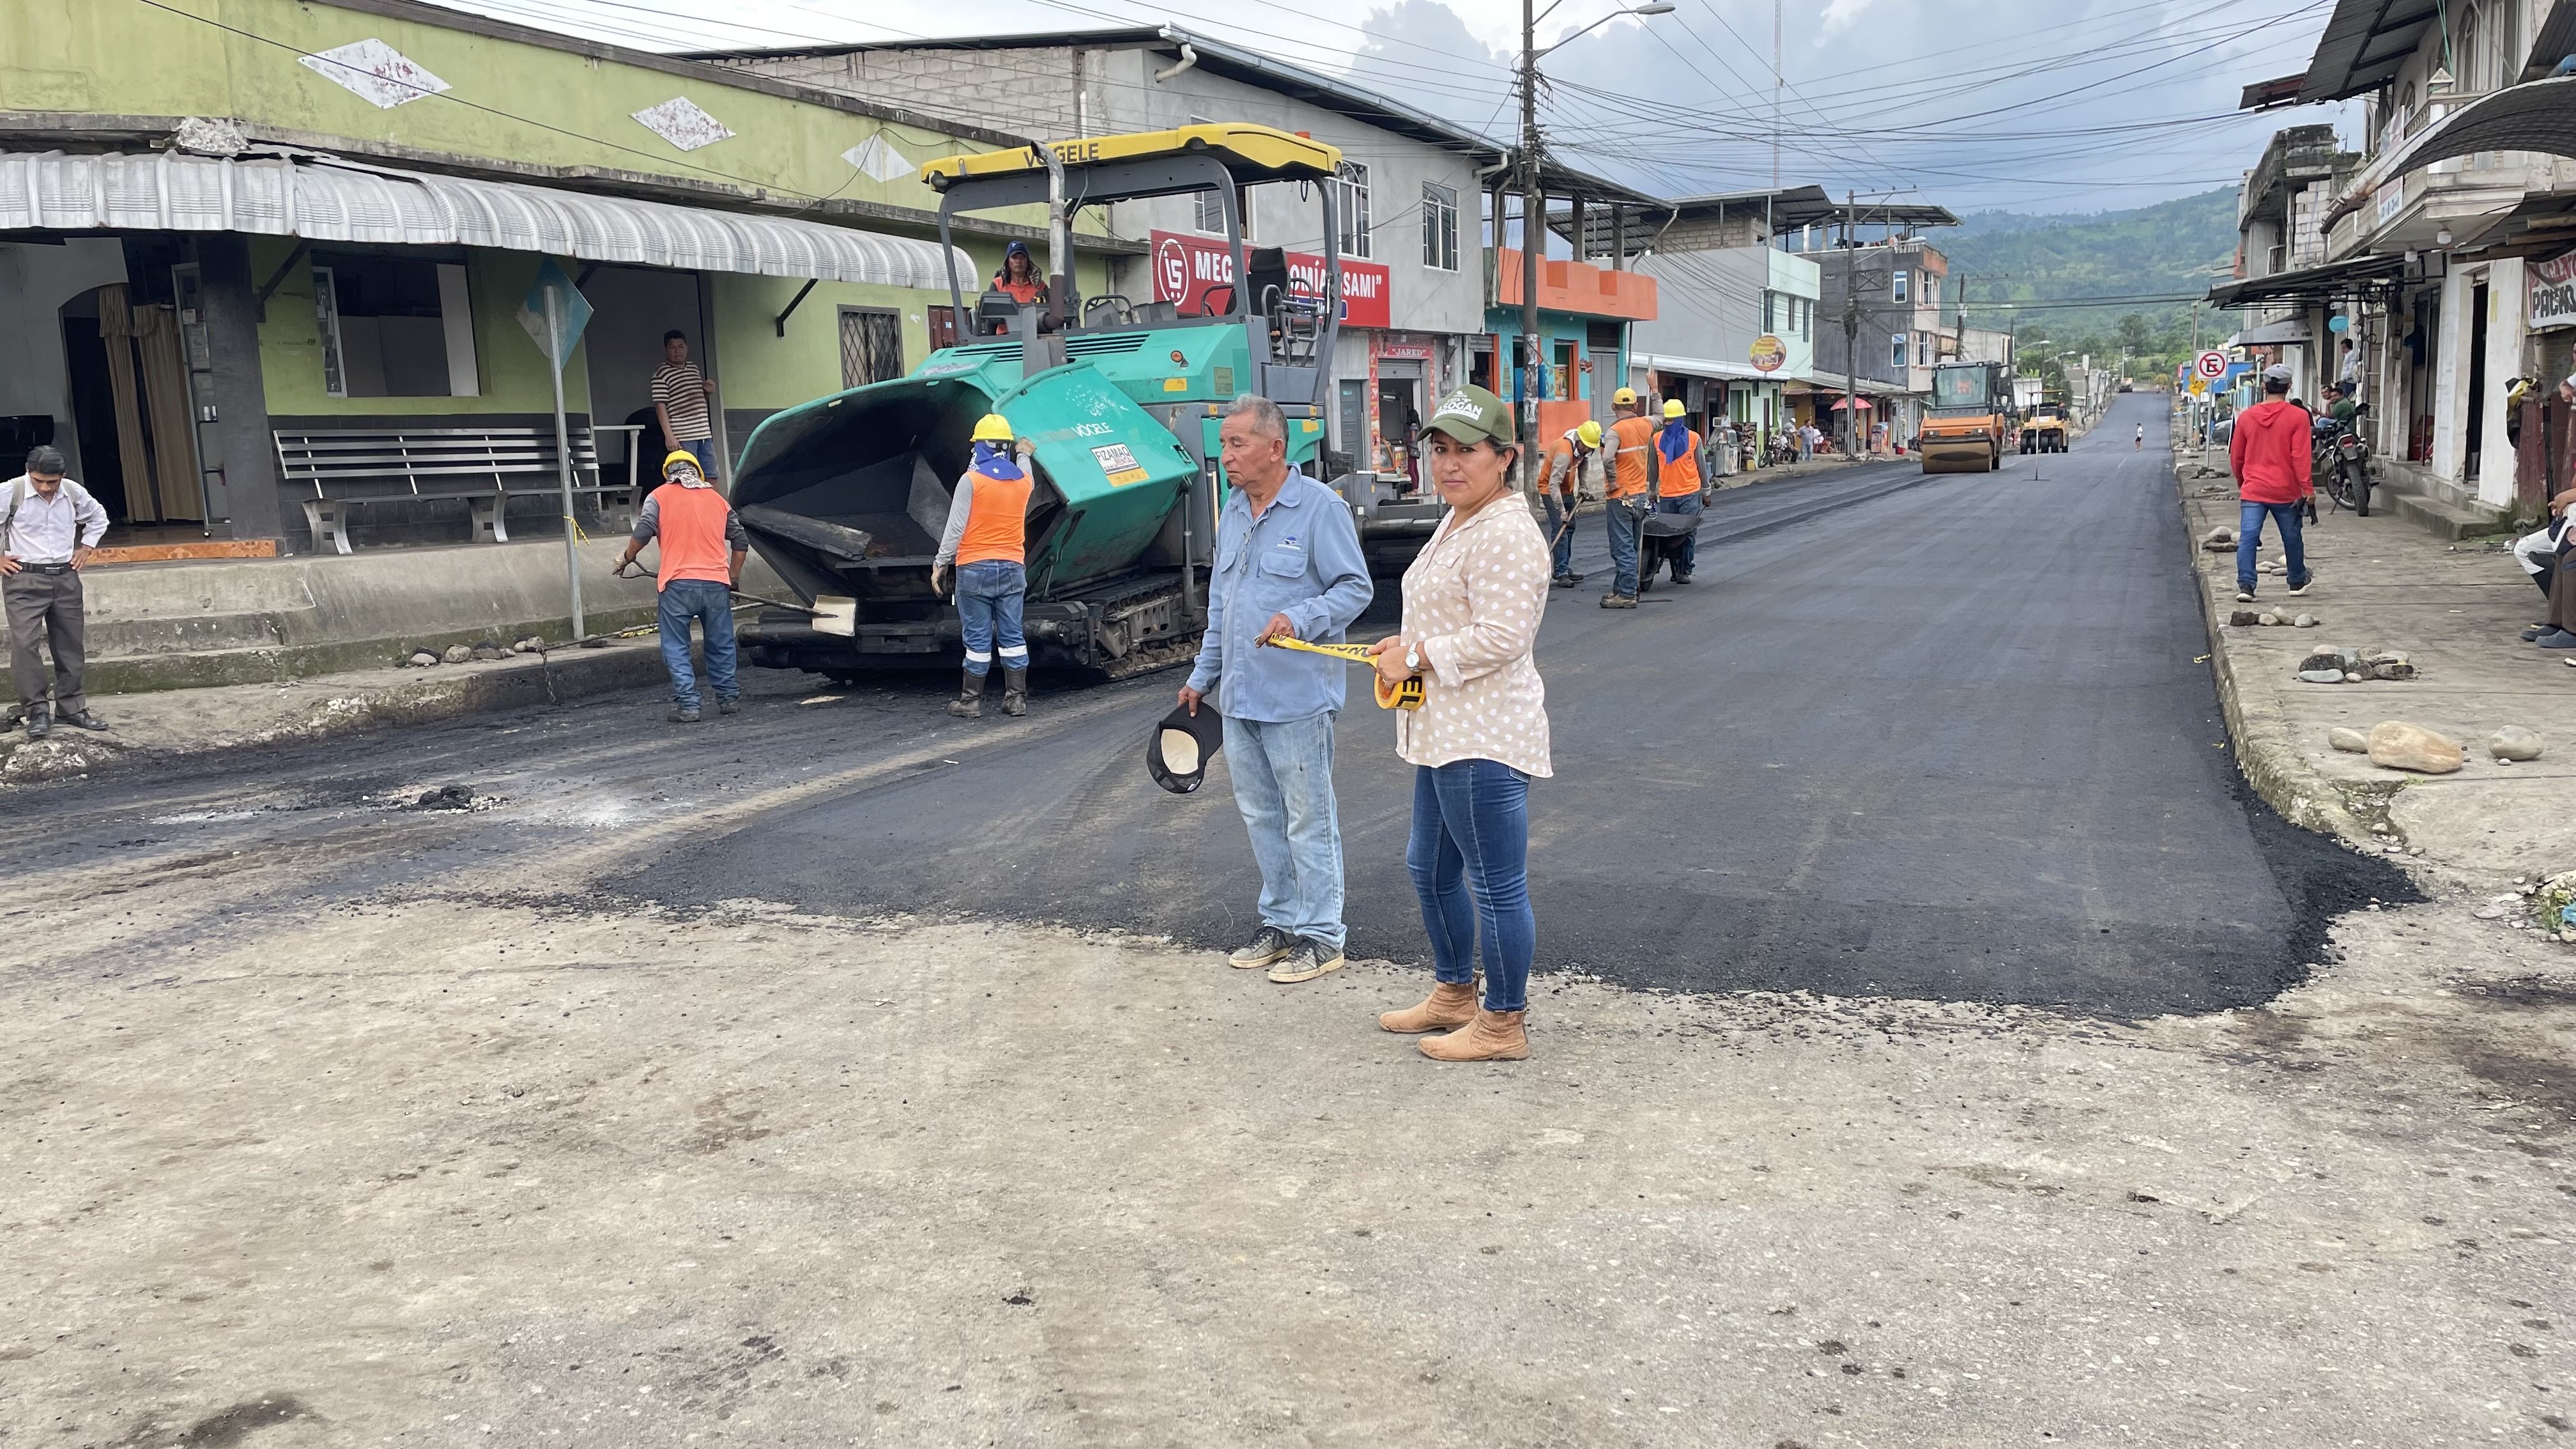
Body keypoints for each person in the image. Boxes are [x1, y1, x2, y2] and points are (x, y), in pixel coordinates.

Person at [1366, 385, 1551, 1062]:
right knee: (1430, 868)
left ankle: (1503, 1023)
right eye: (1440, 449)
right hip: (1442, 730)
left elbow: (1503, 636)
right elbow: (1450, 615)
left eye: (1466, 451)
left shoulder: (1505, 532)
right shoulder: (1459, 519)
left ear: (1506, 457)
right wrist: (1404, 646)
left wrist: (1415, 656)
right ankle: (1453, 993)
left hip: (1483, 736)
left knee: (1495, 886)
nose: (1449, 464)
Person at [1178, 394, 1374, 985]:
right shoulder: (1234, 511)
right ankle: (1281, 921)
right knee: (1261, 815)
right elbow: (1223, 605)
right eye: (1223, 444)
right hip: (1241, 698)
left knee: (1308, 818)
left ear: (1275, 448)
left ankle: (1323, 935)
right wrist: (1202, 677)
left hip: (1297, 699)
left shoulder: (1319, 508)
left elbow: (1355, 588)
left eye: (1238, 444)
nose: (1226, 456)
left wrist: (1300, 617)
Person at [615, 450, 747, 723]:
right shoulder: (718, 500)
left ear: (668, 473)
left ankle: (689, 706)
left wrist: (627, 557)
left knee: (676, 646)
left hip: (677, 585)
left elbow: (644, 531)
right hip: (716, 584)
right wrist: (733, 577)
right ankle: (729, 699)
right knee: (721, 643)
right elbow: (740, 542)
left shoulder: (658, 497)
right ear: (697, 471)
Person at [3, 446, 111, 739]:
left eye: (52, 482)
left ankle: (71, 708)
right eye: (39, 481)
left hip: (65, 576)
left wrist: (86, 547)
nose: (45, 487)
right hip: (24, 577)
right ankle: (36, 711)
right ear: (28, 472)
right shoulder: (11, 492)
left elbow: (98, 517)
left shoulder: (73, 492)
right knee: (25, 645)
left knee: (70, 644)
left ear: (63, 475)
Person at [933, 413, 1036, 717]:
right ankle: (1016, 700)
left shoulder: (971, 481)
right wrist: (1024, 454)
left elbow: (955, 528)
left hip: (974, 569)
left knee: (978, 638)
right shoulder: (1024, 482)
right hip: (1012, 568)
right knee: (1013, 636)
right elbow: (1024, 465)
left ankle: (971, 702)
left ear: (979, 446)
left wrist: (941, 563)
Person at [2228, 364, 2315, 605]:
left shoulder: (2247, 417)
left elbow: (2237, 455)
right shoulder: (2298, 416)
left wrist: (2242, 482)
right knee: (2292, 537)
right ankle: (2296, 581)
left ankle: (2247, 586)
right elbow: (2300, 456)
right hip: (2286, 491)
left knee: (2248, 538)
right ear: (2289, 387)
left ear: (2264, 386)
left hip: (2254, 489)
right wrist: (2307, 489)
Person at [1639, 398, 1703, 588]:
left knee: (1688, 534)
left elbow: (1701, 466)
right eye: (1665, 420)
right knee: (1668, 536)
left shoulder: (1694, 438)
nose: (1667, 424)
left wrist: (1706, 491)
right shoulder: (1656, 439)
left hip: (1690, 493)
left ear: (1680, 420)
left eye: (1671, 420)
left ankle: (1685, 570)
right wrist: (1652, 491)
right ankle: (1675, 569)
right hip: (1667, 495)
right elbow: (1652, 468)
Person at [1601, 387, 1653, 608]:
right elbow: (1661, 416)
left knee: (1622, 548)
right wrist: (1655, 390)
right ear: (1636, 406)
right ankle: (1620, 589)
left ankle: (1627, 594)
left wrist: (1612, 481)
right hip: (1640, 497)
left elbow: (1607, 458)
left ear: (1614, 407)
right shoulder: (1646, 424)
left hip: (1620, 498)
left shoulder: (1615, 431)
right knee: (1631, 546)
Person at [1536, 419, 1599, 588]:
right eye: (1586, 447)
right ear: (1579, 440)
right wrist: (1562, 511)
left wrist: (1583, 486)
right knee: (1560, 528)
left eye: (1591, 448)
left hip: (1566, 489)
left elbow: (1584, 463)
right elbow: (1553, 485)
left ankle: (1563, 565)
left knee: (1570, 527)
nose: (1588, 450)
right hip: (1550, 490)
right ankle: (1561, 572)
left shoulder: (1584, 449)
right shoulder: (1564, 453)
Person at [651, 330, 719, 482]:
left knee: (711, 475)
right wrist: (669, 437)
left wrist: (708, 392)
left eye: (681, 346)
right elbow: (660, 406)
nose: (678, 351)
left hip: (704, 434)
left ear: (687, 347)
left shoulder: (693, 368)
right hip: (683, 437)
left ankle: (714, 499)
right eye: (672, 347)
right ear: (666, 349)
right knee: (688, 478)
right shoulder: (661, 373)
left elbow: (697, 401)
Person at [987, 241, 1047, 333]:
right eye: (1014, 257)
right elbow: (989, 317)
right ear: (1008, 262)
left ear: (1028, 262)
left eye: (1022, 258)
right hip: (1005, 338)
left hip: (1035, 336)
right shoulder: (998, 284)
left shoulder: (1040, 285)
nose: (1018, 261)